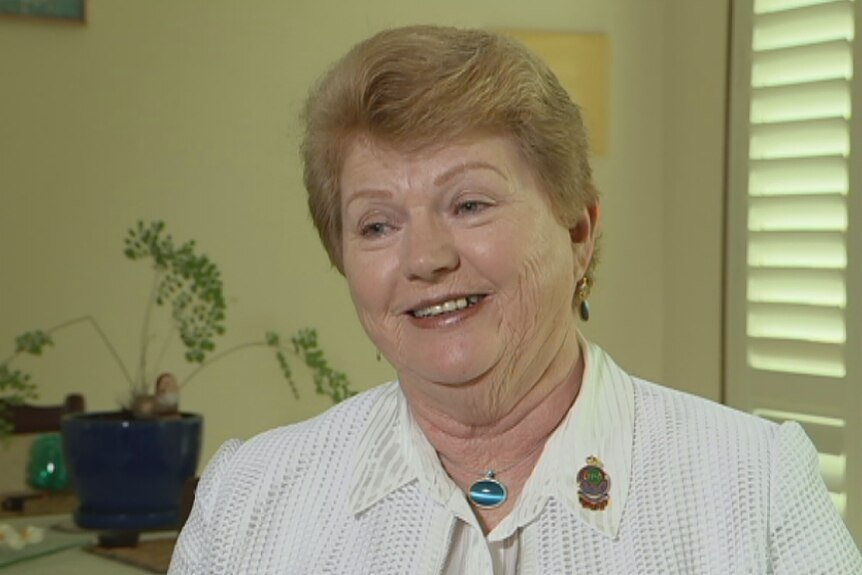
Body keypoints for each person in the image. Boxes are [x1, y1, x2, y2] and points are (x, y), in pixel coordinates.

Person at [169, 26, 861, 574]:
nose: (425, 258)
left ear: (579, 230)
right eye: (377, 224)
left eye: (469, 204)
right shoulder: (248, 499)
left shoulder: (754, 483)